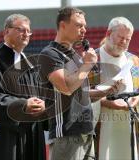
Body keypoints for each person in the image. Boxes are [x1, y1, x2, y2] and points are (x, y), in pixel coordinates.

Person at [36, 7, 103, 160]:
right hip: (66, 133)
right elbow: (66, 88)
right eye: (79, 25)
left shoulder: (76, 56)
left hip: (86, 131)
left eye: (85, 25)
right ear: (63, 25)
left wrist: (107, 91)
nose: (84, 30)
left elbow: (81, 94)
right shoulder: (50, 54)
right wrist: (87, 65)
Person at [0, 14, 46, 160]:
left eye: (28, 31)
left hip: (33, 133)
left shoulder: (30, 64)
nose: (26, 34)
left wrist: (42, 105)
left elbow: (40, 94)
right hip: (7, 135)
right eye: (21, 29)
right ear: (6, 32)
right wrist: (23, 105)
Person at [95, 17, 139, 160]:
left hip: (128, 128)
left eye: (128, 39)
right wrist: (104, 102)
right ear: (108, 33)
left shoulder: (136, 63)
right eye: (120, 37)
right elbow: (78, 96)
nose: (124, 42)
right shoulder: (92, 60)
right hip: (101, 128)